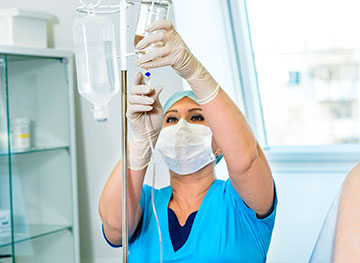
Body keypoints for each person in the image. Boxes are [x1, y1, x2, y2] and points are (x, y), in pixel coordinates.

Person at [98, 20, 277, 262]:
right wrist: (140, 141)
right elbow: (114, 224)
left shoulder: (239, 204)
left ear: (220, 143)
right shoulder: (143, 202)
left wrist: (192, 71)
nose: (182, 125)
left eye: (196, 117)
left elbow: (246, 159)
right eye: (170, 120)